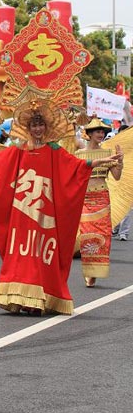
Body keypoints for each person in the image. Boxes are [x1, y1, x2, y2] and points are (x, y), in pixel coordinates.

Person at [0, 96, 120, 315]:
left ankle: (40, 297)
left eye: (41, 125)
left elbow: (76, 166)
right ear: (28, 128)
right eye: (34, 125)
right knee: (20, 255)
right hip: (21, 213)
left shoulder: (54, 151)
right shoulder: (19, 150)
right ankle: (16, 297)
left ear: (46, 127)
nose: (38, 128)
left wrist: (101, 161)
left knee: (42, 256)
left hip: (44, 216)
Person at [73, 118, 123, 287]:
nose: (100, 135)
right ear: (89, 134)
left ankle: (97, 271)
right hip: (84, 198)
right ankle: (89, 271)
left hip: (102, 197)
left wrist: (120, 162)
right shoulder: (79, 155)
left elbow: (116, 176)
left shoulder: (108, 152)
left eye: (102, 132)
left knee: (103, 234)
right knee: (87, 234)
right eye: (97, 132)